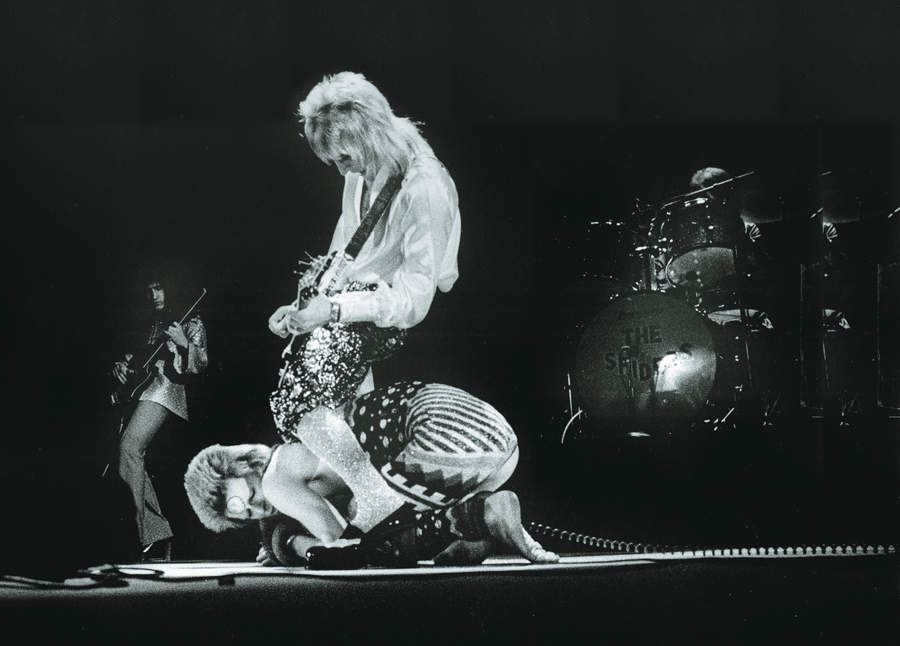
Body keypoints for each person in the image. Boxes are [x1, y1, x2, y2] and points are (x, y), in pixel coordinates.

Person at [266, 72, 461, 533]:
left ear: (369, 133)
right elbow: (344, 250)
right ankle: (363, 508)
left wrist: (333, 312)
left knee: (299, 398)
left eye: (344, 157)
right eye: (331, 161)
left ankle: (376, 496)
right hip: (354, 300)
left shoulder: (424, 187)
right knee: (319, 400)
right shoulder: (365, 166)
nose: (341, 170)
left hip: (392, 306)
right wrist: (302, 306)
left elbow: (415, 300)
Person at [185, 381, 557, 567]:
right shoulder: (301, 455)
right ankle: (481, 523)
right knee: (382, 508)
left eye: (249, 496)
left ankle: (483, 515)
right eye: (248, 515)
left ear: (245, 464)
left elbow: (340, 542)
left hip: (444, 438)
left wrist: (291, 547)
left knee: (376, 543)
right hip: (499, 448)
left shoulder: (277, 476)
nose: (260, 506)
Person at [112, 276, 208, 559]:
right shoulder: (152, 321)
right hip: (142, 390)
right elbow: (135, 359)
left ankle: (135, 535)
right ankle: (158, 535)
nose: (153, 294)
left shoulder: (192, 322)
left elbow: (199, 366)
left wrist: (184, 345)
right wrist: (121, 367)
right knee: (124, 457)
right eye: (149, 288)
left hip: (166, 391)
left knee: (129, 449)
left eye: (159, 287)